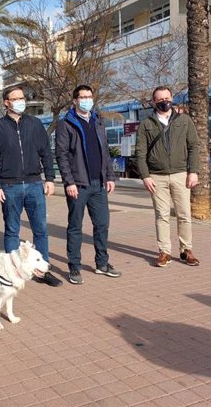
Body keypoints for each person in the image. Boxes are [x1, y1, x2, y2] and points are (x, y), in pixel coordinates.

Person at [0, 86, 62, 287]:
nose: (21, 101)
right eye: (15, 98)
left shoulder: (35, 124)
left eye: (22, 98)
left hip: (34, 184)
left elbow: (46, 152)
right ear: (6, 103)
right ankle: (12, 274)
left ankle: (43, 272)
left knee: (41, 230)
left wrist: (50, 178)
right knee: (12, 231)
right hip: (9, 186)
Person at [55, 85, 121, 285]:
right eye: (82, 97)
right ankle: (74, 265)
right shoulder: (66, 123)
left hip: (98, 184)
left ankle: (102, 263)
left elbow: (105, 152)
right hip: (78, 185)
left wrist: (109, 176)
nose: (86, 100)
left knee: (102, 225)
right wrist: (69, 182)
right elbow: (62, 155)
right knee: (75, 226)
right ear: (74, 100)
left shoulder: (97, 120)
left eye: (89, 96)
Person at [135, 85, 200, 268]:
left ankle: (186, 250)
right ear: (153, 102)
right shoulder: (146, 124)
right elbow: (140, 152)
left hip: (180, 174)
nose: (165, 102)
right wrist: (145, 176)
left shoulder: (184, 120)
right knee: (161, 215)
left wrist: (193, 171)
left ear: (172, 98)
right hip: (157, 177)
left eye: (167, 98)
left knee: (184, 214)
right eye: (160, 99)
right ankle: (164, 251)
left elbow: (194, 146)